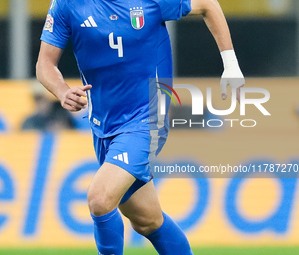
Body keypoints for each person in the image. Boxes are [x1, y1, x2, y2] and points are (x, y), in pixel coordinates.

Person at [36, 0, 245, 254]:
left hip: (148, 117)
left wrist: (231, 65)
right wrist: (62, 91)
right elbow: (45, 63)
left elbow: (209, 5)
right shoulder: (67, 4)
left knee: (100, 199)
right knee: (147, 220)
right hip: (105, 126)